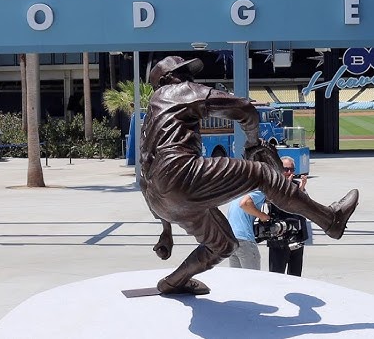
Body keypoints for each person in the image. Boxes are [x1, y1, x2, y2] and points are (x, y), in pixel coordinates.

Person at [139, 56, 360, 295]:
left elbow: (146, 173)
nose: (189, 78)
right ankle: (330, 220)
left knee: (222, 245)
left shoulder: (151, 112)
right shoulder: (179, 90)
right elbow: (245, 109)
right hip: (181, 175)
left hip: (159, 198)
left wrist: (166, 229)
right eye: (183, 72)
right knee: (263, 174)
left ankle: (173, 282)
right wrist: (253, 143)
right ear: (167, 79)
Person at [268, 156, 309, 277]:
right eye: (286, 169)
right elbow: (281, 204)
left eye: (292, 169)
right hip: (280, 238)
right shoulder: (273, 186)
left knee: (295, 274)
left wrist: (301, 188)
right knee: (277, 274)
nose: (289, 172)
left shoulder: (297, 186)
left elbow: (304, 206)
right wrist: (287, 185)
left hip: (296, 237)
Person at [227, 190, 269, 270]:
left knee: (237, 279)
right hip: (245, 239)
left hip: (231, 240)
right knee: (253, 278)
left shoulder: (238, 194)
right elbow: (245, 203)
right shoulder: (260, 191)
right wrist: (262, 216)